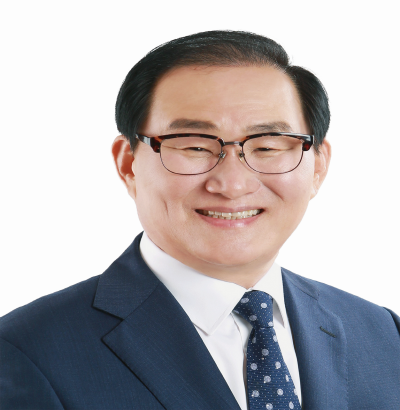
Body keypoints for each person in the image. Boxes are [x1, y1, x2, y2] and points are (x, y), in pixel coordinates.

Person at [1, 30, 399, 410]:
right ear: (128, 164)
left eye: (267, 146)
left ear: (318, 167)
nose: (233, 184)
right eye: (193, 146)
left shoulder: (383, 334)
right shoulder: (25, 352)